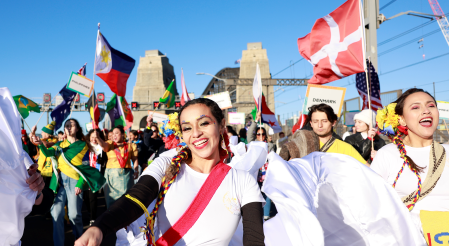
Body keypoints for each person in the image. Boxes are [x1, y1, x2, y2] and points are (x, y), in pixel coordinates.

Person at [75, 98, 265, 246]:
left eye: (204, 123)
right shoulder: (166, 164)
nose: (196, 133)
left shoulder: (243, 182)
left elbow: (254, 239)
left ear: (222, 125)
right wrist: (99, 227)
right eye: (187, 128)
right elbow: (136, 198)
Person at [371, 88, 449, 233]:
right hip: (408, 237)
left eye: (431, 105)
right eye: (415, 107)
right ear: (401, 119)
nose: (426, 111)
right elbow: (370, 203)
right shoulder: (387, 154)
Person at [31, 119, 105, 245]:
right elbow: (48, 153)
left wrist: (80, 184)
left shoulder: (83, 145)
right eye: (67, 126)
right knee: (56, 214)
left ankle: (80, 241)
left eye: (72, 125)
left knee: (74, 215)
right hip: (59, 182)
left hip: (75, 182)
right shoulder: (60, 144)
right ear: (64, 129)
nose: (69, 127)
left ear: (77, 129)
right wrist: (40, 144)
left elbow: (86, 166)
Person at [93, 125, 139, 208]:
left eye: (117, 133)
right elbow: (103, 145)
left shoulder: (130, 146)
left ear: (122, 134)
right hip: (112, 176)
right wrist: (98, 138)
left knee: (126, 201)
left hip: (127, 177)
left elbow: (135, 159)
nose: (114, 135)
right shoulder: (110, 144)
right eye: (113, 133)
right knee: (112, 202)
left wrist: (136, 170)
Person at [84, 129, 108, 226]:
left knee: (93, 197)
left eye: (96, 137)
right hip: (85, 175)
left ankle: (93, 218)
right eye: (92, 137)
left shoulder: (102, 147)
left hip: (96, 175)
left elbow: (106, 160)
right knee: (86, 197)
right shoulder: (85, 147)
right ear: (89, 137)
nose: (94, 139)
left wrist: (102, 162)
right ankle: (90, 212)